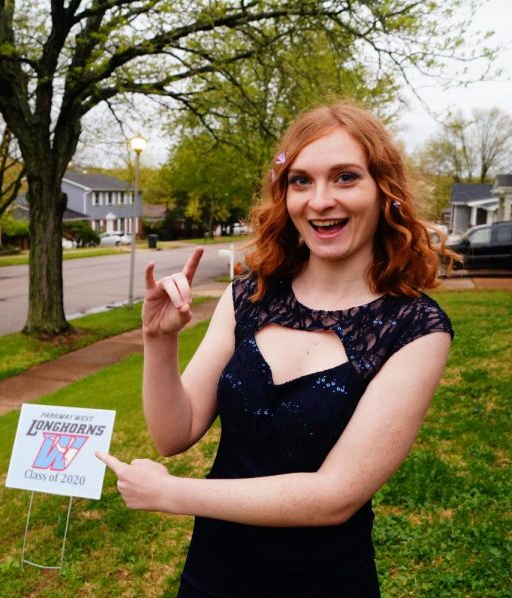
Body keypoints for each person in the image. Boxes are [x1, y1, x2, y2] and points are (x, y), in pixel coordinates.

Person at [97, 101, 454, 597]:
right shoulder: (249, 295)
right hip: (212, 577)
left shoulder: (414, 327)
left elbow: (334, 496)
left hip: (323, 583)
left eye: (346, 177)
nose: (319, 200)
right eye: (301, 181)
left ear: (383, 191)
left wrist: (174, 493)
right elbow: (173, 434)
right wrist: (159, 341)